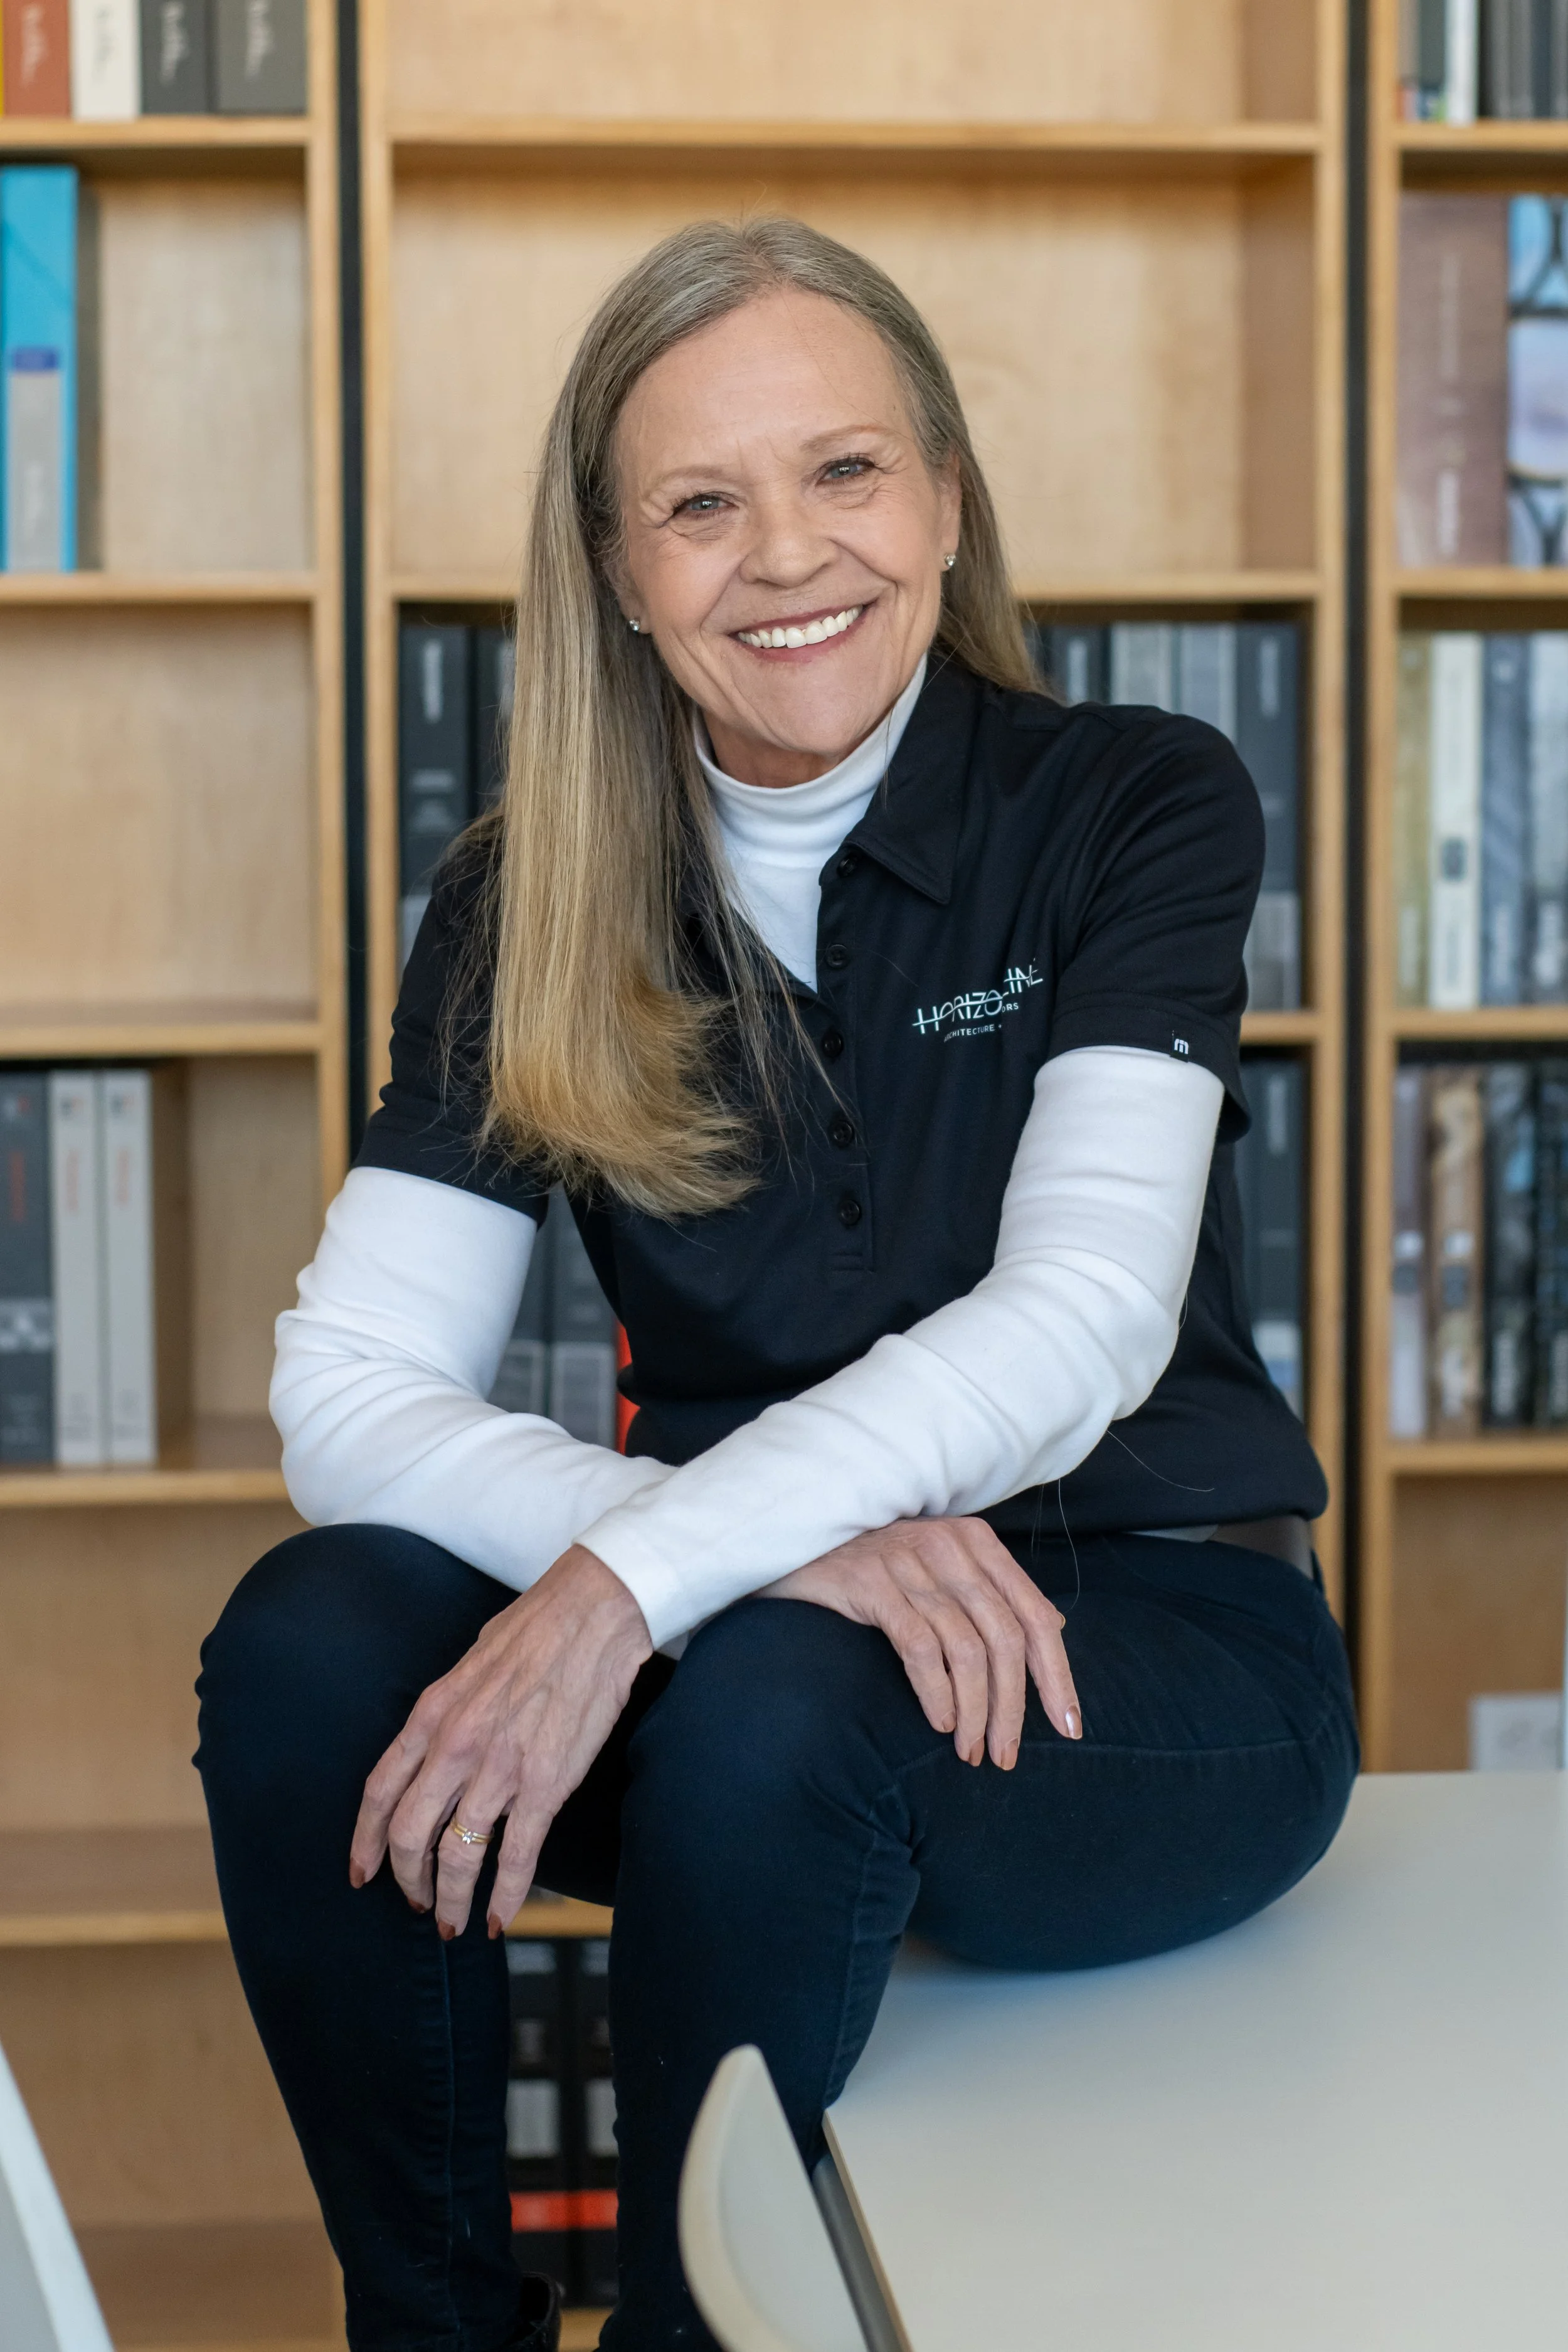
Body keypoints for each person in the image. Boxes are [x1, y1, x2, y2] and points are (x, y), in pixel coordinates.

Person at [196, 216, 1359, 2352]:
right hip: (751, 1655)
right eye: (699, 503)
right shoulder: (524, 896)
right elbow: (344, 1388)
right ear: (619, 570)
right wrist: (714, 1554)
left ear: (936, 499)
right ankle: (432, 2328)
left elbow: (1081, 1322)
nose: (782, 554)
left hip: (1152, 1647)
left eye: (842, 472)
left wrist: (660, 1583)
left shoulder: (1130, 802)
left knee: (776, 1690)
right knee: (309, 1636)